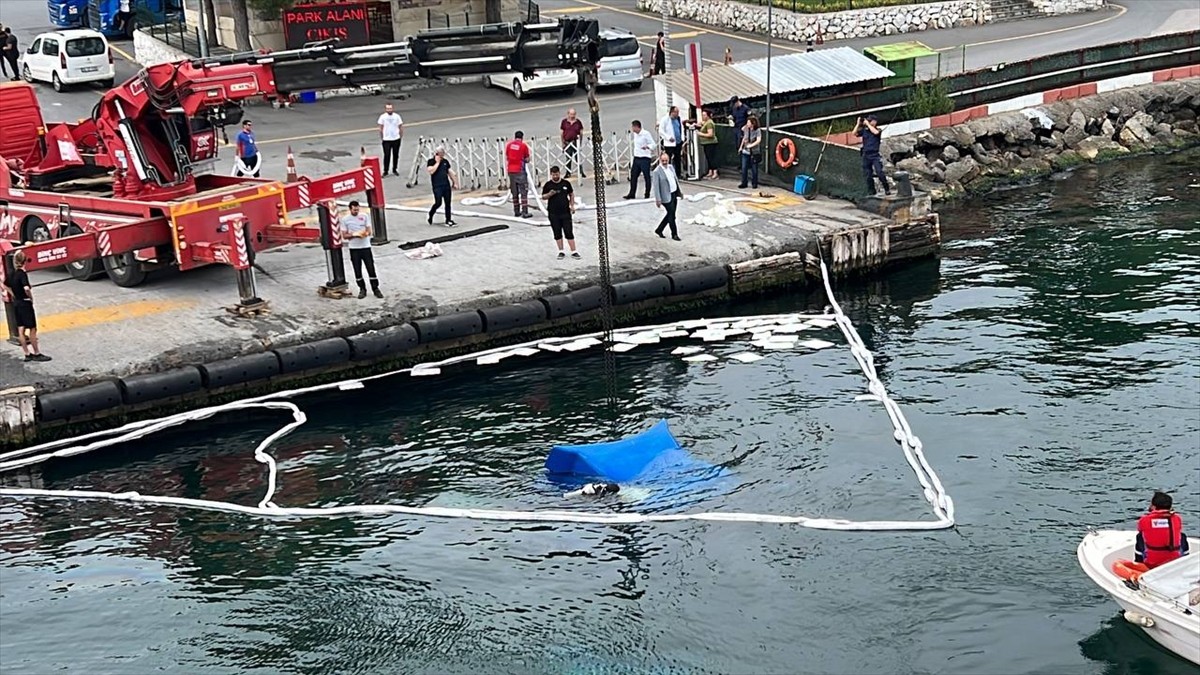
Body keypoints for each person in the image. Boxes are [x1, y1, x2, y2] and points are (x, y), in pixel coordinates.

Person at [3, 251, 51, 362]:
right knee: (32, 329)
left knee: (21, 329)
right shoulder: (22, 274)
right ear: (25, 261)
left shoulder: (12, 273)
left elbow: (4, 284)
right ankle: (37, 353)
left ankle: (27, 353)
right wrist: (30, 297)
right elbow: (26, 288)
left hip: (17, 303)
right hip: (25, 303)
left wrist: (13, 293)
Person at [335, 200, 381, 299]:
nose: (356, 211)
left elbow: (369, 230)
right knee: (357, 270)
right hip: (354, 248)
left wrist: (365, 234)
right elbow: (344, 235)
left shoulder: (364, 216)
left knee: (371, 268)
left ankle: (375, 288)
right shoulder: (345, 219)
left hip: (365, 247)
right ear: (350, 209)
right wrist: (354, 235)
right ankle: (362, 289)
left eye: (357, 209)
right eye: (354, 210)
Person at [1135, 491, 1190, 569]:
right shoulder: (1177, 518)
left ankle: (1139, 564)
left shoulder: (1144, 520)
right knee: (1182, 536)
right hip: (1174, 562)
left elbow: (1142, 531)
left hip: (1152, 563)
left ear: (1153, 506)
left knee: (1140, 537)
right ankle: (1185, 563)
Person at [541, 166, 579, 260]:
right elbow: (543, 196)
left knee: (568, 231)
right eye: (553, 175)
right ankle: (561, 251)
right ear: (551, 174)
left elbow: (571, 194)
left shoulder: (566, 183)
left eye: (556, 174)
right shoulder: (548, 185)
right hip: (553, 213)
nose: (555, 176)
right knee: (557, 232)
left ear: (559, 173)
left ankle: (574, 251)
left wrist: (572, 205)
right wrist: (550, 194)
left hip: (565, 212)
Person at [855, 114, 890, 196]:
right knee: (868, 175)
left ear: (875, 122)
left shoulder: (878, 130)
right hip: (866, 155)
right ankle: (871, 191)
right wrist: (858, 124)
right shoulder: (865, 130)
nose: (869, 122)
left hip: (874, 155)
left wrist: (868, 124)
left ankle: (886, 188)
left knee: (879, 172)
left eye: (870, 121)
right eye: (868, 121)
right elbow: (854, 133)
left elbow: (875, 132)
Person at [651, 152, 682, 241]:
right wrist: (658, 199)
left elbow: (675, 180)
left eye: (666, 160)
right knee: (671, 215)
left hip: (673, 193)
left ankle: (659, 229)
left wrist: (679, 192)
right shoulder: (657, 171)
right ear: (660, 160)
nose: (664, 162)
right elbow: (656, 187)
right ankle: (674, 234)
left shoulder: (671, 168)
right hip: (665, 196)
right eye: (663, 160)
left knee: (671, 214)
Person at [426, 146, 458, 227]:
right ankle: (431, 213)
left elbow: (450, 172)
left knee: (448, 203)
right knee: (438, 202)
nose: (441, 156)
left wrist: (455, 182)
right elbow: (431, 171)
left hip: (446, 185)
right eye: (439, 154)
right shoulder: (431, 161)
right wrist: (437, 162)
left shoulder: (445, 162)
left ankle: (448, 219)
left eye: (442, 154)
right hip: (437, 186)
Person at [624, 120, 655, 200]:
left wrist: (647, 147)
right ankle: (632, 193)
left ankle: (647, 193)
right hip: (637, 157)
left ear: (637, 127)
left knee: (646, 176)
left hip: (645, 158)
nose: (632, 129)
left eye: (633, 127)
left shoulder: (646, 134)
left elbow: (653, 144)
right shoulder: (635, 134)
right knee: (633, 176)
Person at [505, 130, 532, 218]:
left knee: (514, 191)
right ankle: (524, 212)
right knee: (524, 191)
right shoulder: (523, 146)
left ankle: (516, 211)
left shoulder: (509, 145)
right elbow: (527, 159)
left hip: (510, 171)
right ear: (522, 137)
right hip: (520, 170)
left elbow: (507, 156)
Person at [377, 103, 404, 177]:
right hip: (386, 140)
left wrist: (400, 136)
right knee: (387, 155)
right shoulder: (382, 117)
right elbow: (380, 127)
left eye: (390, 108)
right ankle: (386, 170)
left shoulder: (397, 116)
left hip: (396, 139)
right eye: (388, 108)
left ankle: (394, 169)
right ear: (385, 109)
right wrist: (382, 137)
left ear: (393, 109)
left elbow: (400, 126)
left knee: (396, 155)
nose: (389, 110)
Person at [560, 108, 585, 179]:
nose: (572, 116)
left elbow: (581, 132)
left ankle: (581, 172)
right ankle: (568, 173)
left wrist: (580, 143)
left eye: (574, 114)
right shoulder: (564, 122)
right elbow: (561, 133)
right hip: (567, 143)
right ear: (568, 114)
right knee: (568, 158)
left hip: (575, 142)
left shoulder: (578, 122)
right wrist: (563, 143)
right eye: (571, 114)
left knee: (578, 158)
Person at [659, 105, 683, 177]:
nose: (677, 114)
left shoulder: (678, 119)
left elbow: (681, 128)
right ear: (672, 112)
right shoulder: (665, 119)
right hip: (669, 143)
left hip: (678, 142)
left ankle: (678, 174)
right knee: (668, 158)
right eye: (676, 112)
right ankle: (668, 173)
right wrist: (668, 137)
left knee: (677, 158)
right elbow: (661, 131)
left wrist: (682, 138)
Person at [738, 116, 761, 189]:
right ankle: (744, 182)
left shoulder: (757, 130)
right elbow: (744, 137)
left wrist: (751, 146)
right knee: (744, 168)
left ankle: (754, 183)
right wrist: (741, 147)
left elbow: (758, 140)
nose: (747, 123)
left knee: (754, 169)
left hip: (754, 152)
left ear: (753, 123)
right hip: (745, 151)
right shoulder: (746, 129)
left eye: (749, 122)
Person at [696, 109, 719, 180]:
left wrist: (700, 134)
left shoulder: (709, 123)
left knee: (712, 158)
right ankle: (710, 171)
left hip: (710, 143)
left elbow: (710, 134)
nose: (703, 116)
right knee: (708, 158)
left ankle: (715, 172)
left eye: (704, 115)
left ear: (708, 116)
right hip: (705, 143)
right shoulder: (705, 122)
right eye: (702, 115)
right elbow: (702, 124)